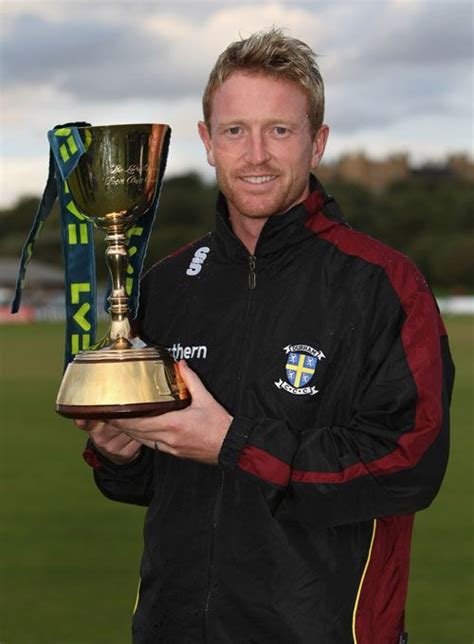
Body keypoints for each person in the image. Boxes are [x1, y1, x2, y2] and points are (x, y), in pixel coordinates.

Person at [78, 29, 454, 644]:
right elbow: (154, 483)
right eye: (235, 131)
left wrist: (231, 441)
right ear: (206, 142)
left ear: (318, 142)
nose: (255, 154)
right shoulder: (167, 285)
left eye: (279, 130)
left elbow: (409, 465)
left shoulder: (384, 284)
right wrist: (118, 453)